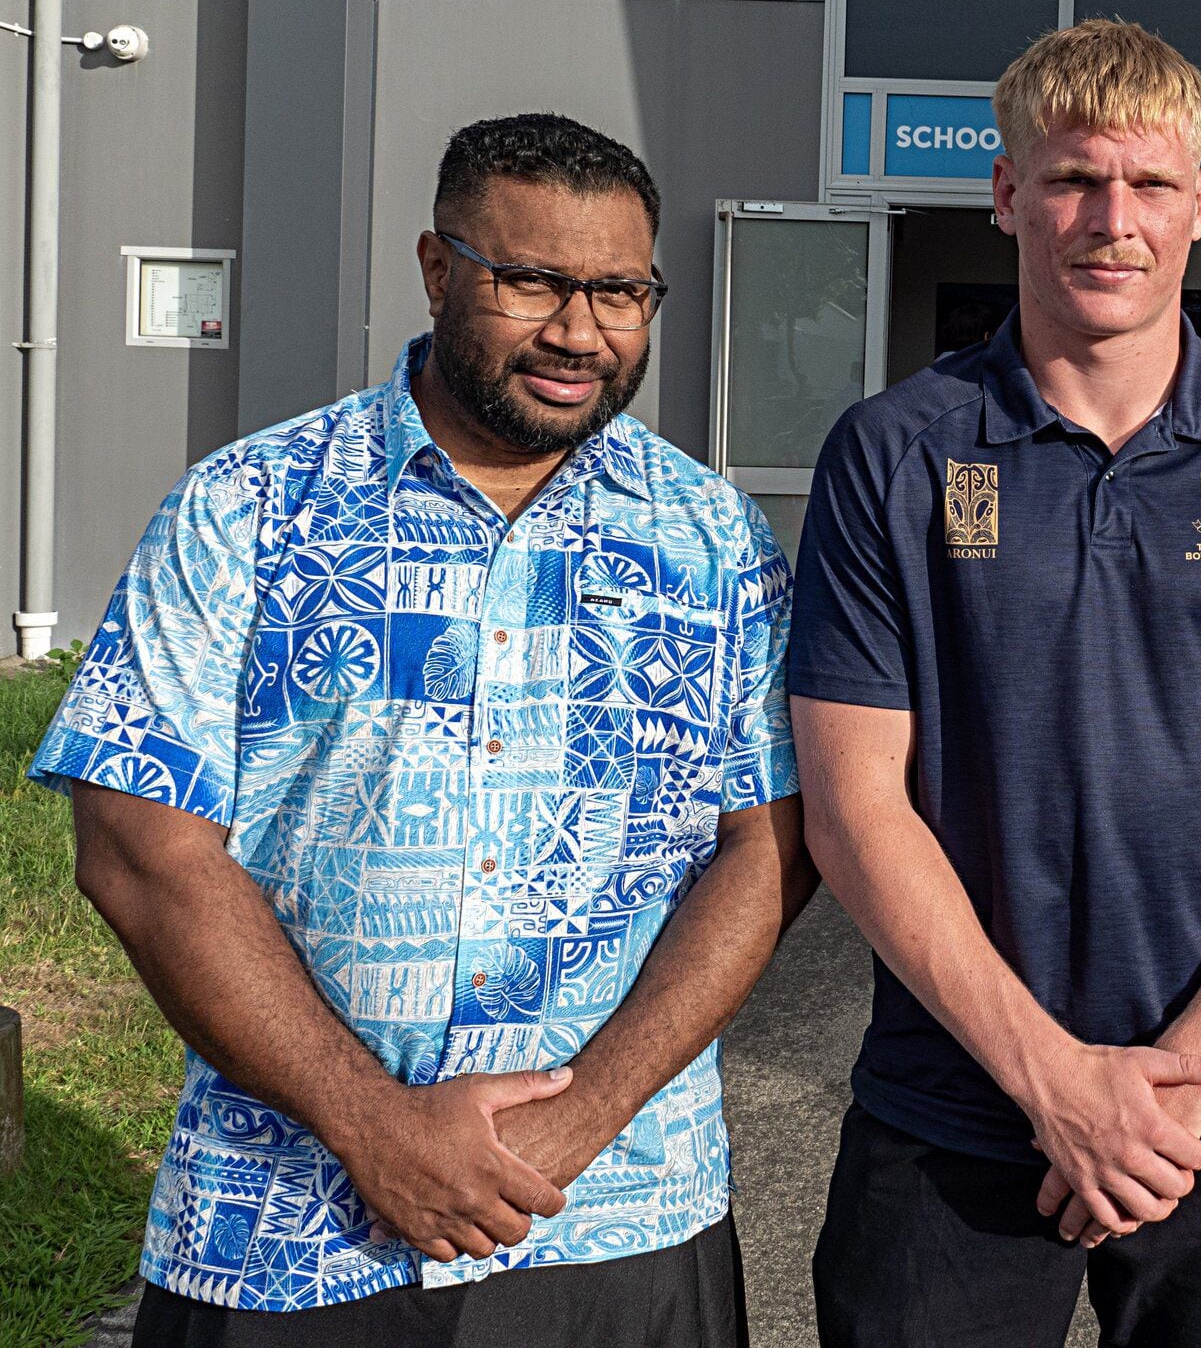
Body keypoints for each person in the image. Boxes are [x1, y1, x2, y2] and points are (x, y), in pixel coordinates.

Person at [31, 114, 815, 1347]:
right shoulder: (249, 507)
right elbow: (139, 848)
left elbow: (767, 845)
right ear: (438, 268)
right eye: (532, 280)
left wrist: (586, 1112)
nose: (579, 331)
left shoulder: (712, 540)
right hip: (288, 1227)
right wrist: (373, 1124)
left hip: (616, 1216)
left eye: (619, 291)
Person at [790, 19, 1201, 1346]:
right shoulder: (892, 453)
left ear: (1200, 200)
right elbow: (853, 806)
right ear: (1008, 191)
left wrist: (1174, 1088)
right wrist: (1054, 1082)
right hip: (953, 1106)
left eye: (1147, 183)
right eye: (1073, 178)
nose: (1110, 220)